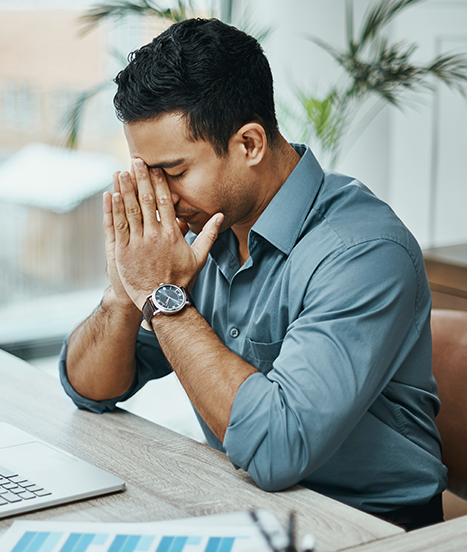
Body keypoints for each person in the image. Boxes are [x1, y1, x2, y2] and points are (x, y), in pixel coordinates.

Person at [59, 18, 447, 529]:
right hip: (241, 506)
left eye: (173, 172)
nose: (161, 196)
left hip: (369, 527)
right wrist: (124, 292)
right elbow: (89, 387)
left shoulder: (363, 252)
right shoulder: (200, 234)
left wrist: (162, 295)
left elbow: (277, 451)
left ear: (249, 144)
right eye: (148, 174)